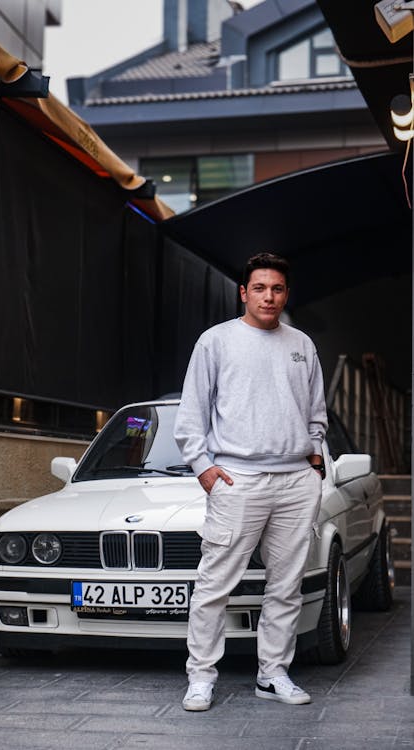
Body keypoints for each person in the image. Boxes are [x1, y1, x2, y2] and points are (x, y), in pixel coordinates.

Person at [174, 252, 327, 711]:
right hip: (238, 480)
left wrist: (315, 459)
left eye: (277, 288)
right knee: (214, 584)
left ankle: (273, 674)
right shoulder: (216, 342)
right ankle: (200, 677)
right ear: (243, 292)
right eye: (259, 288)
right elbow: (191, 413)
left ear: (286, 293)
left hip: (295, 482)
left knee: (286, 585)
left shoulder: (301, 343)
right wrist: (203, 467)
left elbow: (315, 413)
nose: (269, 296)